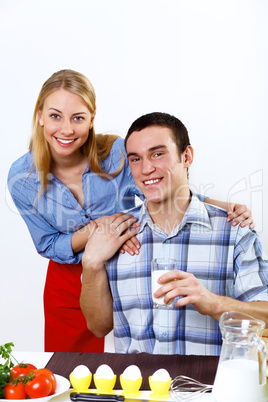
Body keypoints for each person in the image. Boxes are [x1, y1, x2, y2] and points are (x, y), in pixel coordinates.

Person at [8, 70, 253, 352]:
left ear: (91, 119)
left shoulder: (116, 152)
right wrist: (100, 233)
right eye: (55, 116)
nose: (66, 129)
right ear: (39, 115)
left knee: (146, 346)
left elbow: (160, 188)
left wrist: (222, 207)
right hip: (67, 278)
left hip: (129, 257)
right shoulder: (21, 177)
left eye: (78, 117)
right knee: (70, 369)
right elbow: (47, 243)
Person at [80, 112, 268, 355]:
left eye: (158, 154)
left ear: (186, 156)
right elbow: (97, 327)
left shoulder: (233, 232)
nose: (146, 168)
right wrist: (91, 263)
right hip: (138, 389)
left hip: (213, 388)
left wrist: (213, 302)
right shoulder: (116, 235)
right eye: (135, 159)